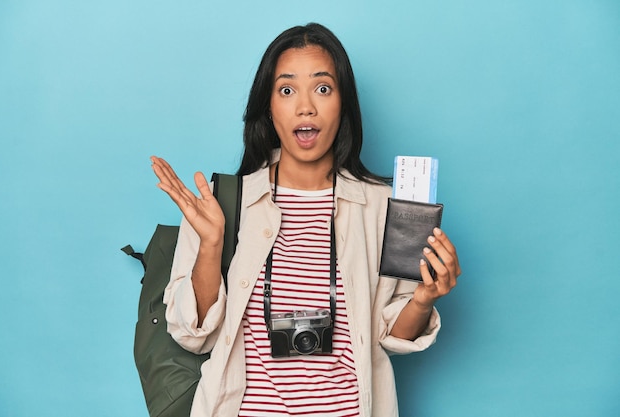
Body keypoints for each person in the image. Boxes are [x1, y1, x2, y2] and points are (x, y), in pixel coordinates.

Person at [151, 23, 461, 417]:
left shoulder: (386, 208)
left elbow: (392, 335)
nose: (305, 106)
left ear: (343, 103)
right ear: (268, 105)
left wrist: (424, 297)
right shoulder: (225, 202)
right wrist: (211, 246)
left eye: (322, 88)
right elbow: (192, 334)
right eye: (286, 90)